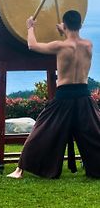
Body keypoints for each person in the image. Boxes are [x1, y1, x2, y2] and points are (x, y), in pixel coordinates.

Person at [7, 10, 100, 179]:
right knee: (95, 133)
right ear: (81, 25)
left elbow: (32, 45)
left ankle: (19, 170)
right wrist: (65, 31)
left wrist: (30, 27)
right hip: (84, 96)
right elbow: (74, 42)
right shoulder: (88, 45)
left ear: (64, 24)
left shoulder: (60, 46)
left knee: (40, 131)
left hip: (64, 96)